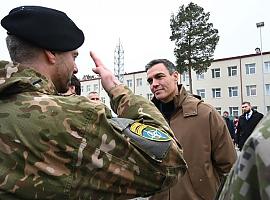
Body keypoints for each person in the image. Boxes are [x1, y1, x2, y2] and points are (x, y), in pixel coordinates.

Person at [0, 6, 187, 199]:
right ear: (51, 54)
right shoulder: (74, 116)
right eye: (73, 56)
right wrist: (117, 89)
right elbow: (169, 162)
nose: (76, 68)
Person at [145, 59, 237, 200]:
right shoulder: (147, 119)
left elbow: (229, 167)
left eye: (159, 77)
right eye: (150, 81)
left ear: (175, 76)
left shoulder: (205, 114)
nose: (154, 84)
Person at [217, 112, 269, 200]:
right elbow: (238, 129)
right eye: (243, 107)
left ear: (250, 106)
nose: (244, 108)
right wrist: (237, 139)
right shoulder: (242, 118)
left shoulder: (259, 117)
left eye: (245, 106)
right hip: (244, 143)